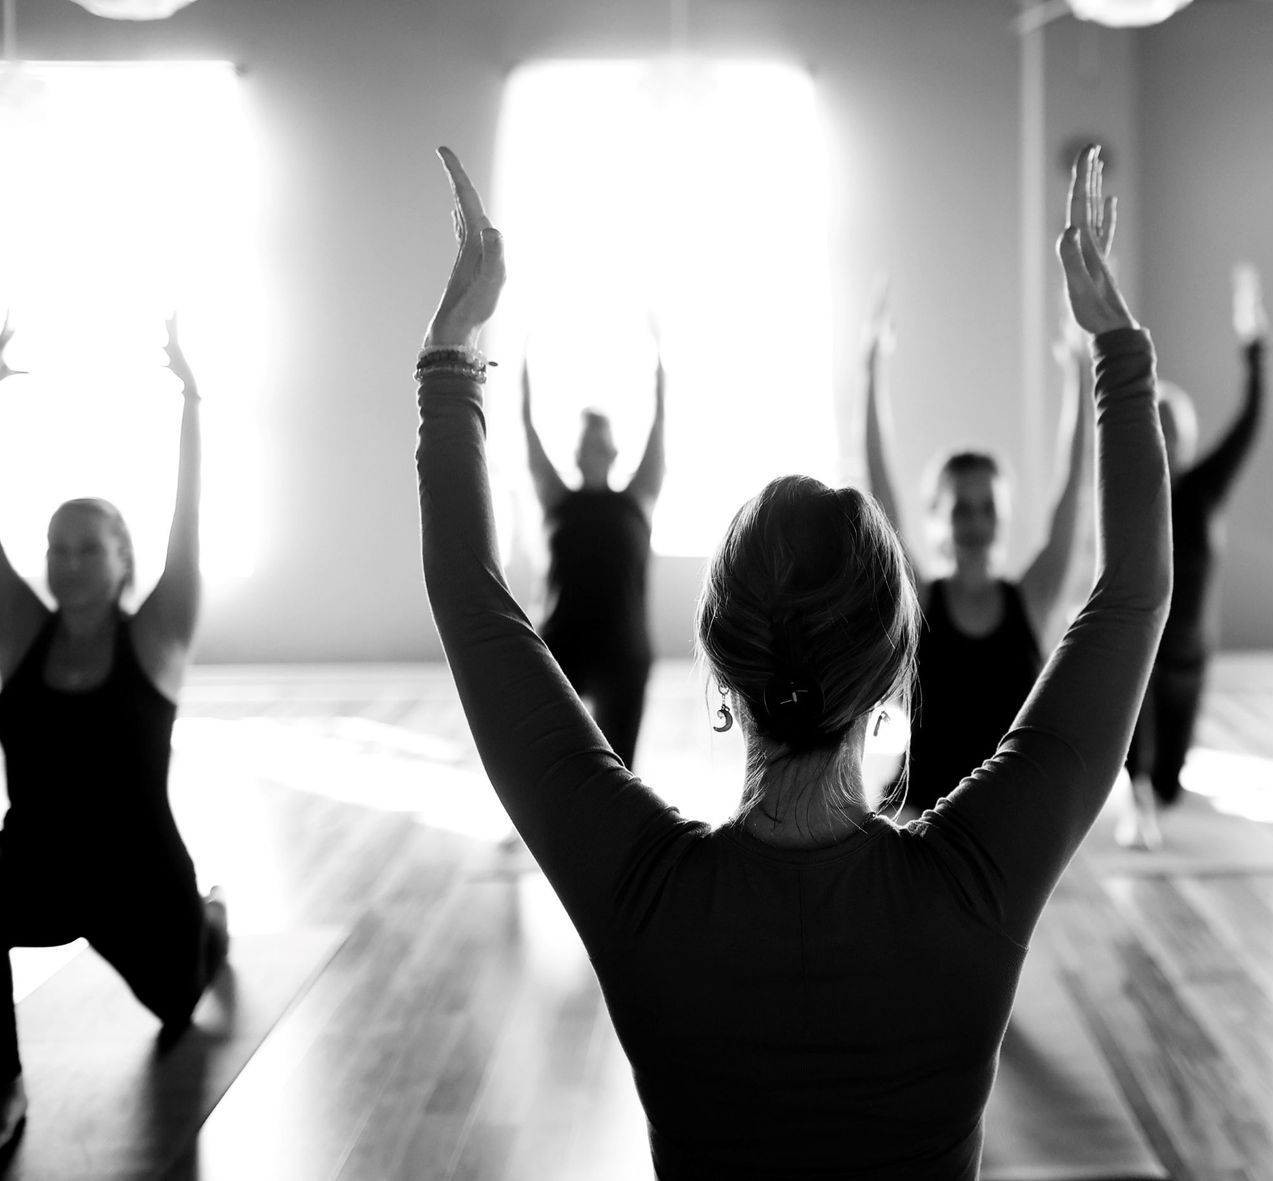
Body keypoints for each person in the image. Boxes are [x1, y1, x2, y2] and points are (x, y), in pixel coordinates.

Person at [414, 143, 1168, 1178]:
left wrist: (453, 349)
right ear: (893, 670)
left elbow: (469, 598)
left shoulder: (642, 890)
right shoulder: (976, 880)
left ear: (720, 680)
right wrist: (1117, 347)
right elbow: (1135, 591)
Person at [0, 316, 229, 1164]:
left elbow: (191, 524)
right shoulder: (19, 630)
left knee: (181, 1005)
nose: (67, 564)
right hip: (38, 866)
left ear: (121, 557)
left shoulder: (158, 638)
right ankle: (4, 1087)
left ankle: (212, 921)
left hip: (140, 882)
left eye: (87, 549)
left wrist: (193, 401)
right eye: (57, 548)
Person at [862, 290, 1090, 816]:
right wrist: (870, 371)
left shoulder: (1030, 599)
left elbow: (1071, 492)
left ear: (1003, 515)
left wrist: (1080, 373)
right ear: (936, 517)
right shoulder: (918, 600)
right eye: (960, 508)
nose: (975, 522)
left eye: (986, 507)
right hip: (922, 817)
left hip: (1006, 819)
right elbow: (880, 489)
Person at [1119, 293, 1267, 849]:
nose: (1165, 441)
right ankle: (1137, 801)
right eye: (1154, 430)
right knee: (1140, 751)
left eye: (1173, 431)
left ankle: (1156, 794)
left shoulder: (1205, 490)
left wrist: (1256, 352)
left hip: (1190, 648)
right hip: (1144, 647)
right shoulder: (1131, 495)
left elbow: (1250, 424)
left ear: (1186, 438)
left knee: (1170, 779)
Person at [520, 349, 665, 768]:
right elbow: (527, 427)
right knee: (551, 761)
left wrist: (659, 359)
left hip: (624, 651)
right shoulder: (556, 498)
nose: (593, 452)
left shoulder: (638, 499)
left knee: (619, 770)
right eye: (586, 445)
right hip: (562, 648)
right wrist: (524, 360)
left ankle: (617, 833)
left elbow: (659, 428)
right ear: (576, 455)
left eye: (600, 445)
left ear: (615, 453)